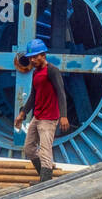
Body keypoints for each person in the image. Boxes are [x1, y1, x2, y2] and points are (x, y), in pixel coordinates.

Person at [13, 38, 69, 181]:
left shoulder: (52, 71)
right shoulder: (36, 73)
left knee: (45, 151)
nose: (32, 60)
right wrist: (22, 113)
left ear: (43, 55)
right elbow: (33, 95)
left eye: (34, 57)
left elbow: (61, 93)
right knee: (29, 149)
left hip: (49, 119)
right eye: (30, 57)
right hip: (37, 117)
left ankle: (45, 181)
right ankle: (44, 175)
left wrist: (63, 116)